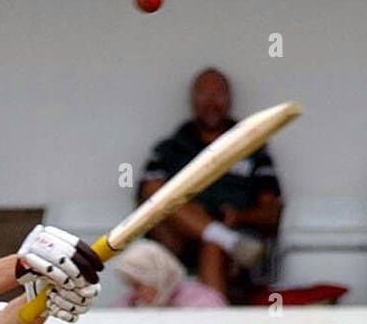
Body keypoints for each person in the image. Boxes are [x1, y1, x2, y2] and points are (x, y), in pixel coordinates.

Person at [139, 68, 281, 300]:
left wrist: (240, 217)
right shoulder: (169, 149)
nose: (211, 103)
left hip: (236, 244)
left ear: (230, 99)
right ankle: (222, 236)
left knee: (213, 245)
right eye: (204, 94)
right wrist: (196, 215)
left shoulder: (252, 148)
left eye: (219, 95)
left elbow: (271, 211)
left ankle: (211, 322)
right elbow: (149, 193)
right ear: (192, 100)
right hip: (175, 239)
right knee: (164, 197)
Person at [115, 238, 226, 308]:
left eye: (138, 285)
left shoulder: (204, 302)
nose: (134, 293)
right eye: (130, 285)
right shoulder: (130, 303)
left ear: (159, 278)